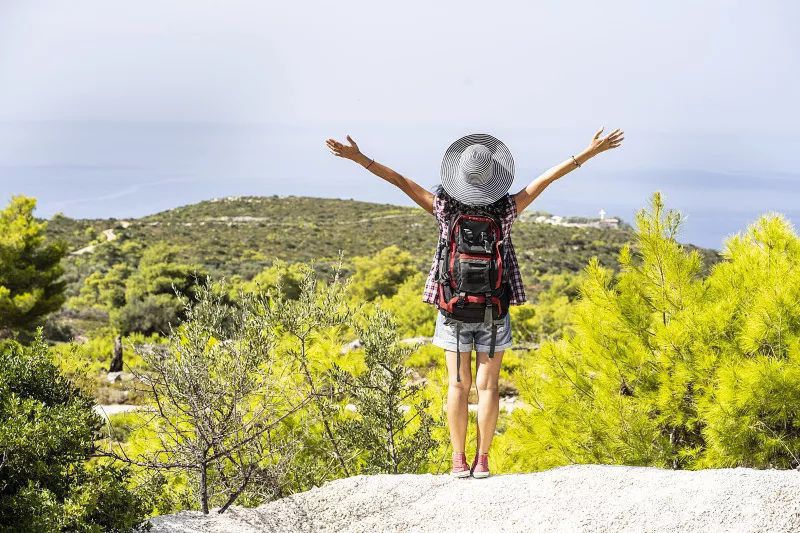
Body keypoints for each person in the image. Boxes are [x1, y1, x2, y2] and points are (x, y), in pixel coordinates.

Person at [325, 128, 624, 478]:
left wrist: (359, 158)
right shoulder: (506, 210)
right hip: (494, 310)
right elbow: (547, 179)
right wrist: (589, 152)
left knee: (457, 385)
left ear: (459, 177)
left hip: (452, 309)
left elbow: (401, 182)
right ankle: (482, 461)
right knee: (488, 387)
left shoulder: (444, 209)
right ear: (494, 178)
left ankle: (457, 460)